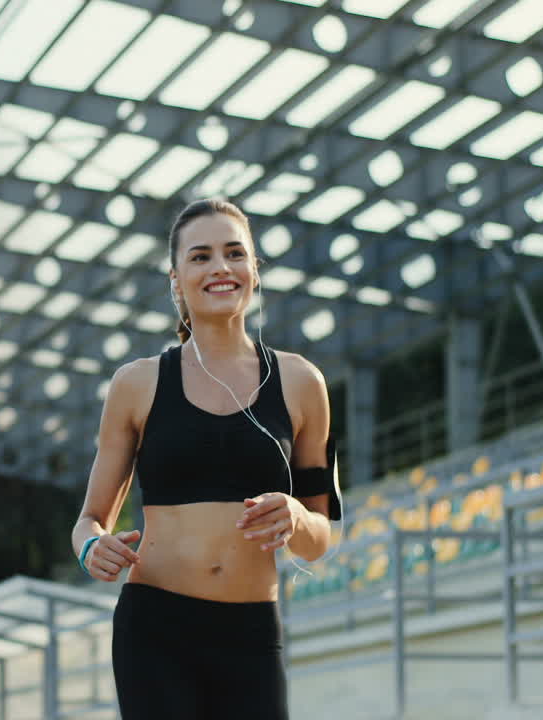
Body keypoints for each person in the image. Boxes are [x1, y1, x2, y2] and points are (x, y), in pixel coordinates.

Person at [71, 199, 341, 719]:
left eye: (234, 253)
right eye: (201, 257)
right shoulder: (136, 383)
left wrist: (296, 515)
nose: (220, 267)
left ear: (254, 270)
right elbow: (88, 521)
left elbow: (320, 537)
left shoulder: (305, 383)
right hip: (155, 630)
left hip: (252, 632)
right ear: (177, 280)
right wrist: (92, 549)